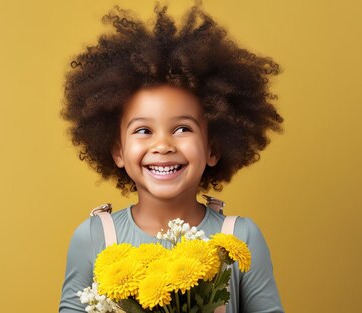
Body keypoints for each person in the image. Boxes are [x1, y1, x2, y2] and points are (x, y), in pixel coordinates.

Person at [59, 2, 284, 313]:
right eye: (143, 131)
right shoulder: (94, 237)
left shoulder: (239, 237)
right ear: (118, 151)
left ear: (213, 148)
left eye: (181, 128)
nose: (163, 145)